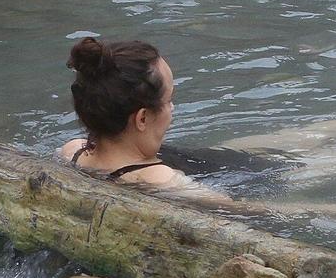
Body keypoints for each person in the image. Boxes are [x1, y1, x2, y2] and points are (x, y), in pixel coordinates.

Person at [58, 37, 238, 208]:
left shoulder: (72, 151)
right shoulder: (161, 179)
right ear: (142, 118)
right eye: (168, 100)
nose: (172, 108)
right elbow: (236, 208)